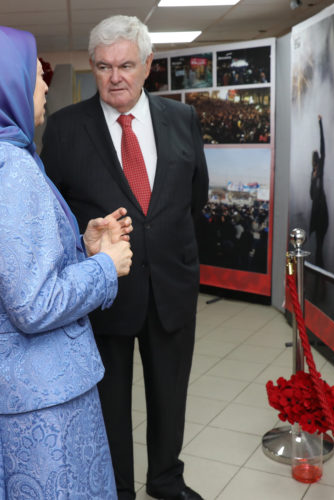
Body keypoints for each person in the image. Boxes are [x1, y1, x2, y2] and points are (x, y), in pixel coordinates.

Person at [41, 15, 209, 500]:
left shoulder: (183, 120)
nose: (116, 77)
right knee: (110, 404)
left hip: (171, 288)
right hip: (105, 293)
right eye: (104, 66)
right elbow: (55, 215)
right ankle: (117, 490)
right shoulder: (67, 129)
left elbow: (192, 199)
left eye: (127, 65)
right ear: (93, 68)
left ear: (148, 65)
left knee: (169, 395)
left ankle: (165, 479)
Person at [0, 26, 133, 498]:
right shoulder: (13, 167)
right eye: (37, 75)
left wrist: (82, 243)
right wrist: (104, 266)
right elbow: (33, 305)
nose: (43, 86)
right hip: (42, 400)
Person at [309, 115, 328, 269]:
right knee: (318, 242)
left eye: (316, 156)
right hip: (316, 208)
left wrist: (320, 124)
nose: (316, 157)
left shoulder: (319, 169)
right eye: (315, 156)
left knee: (320, 240)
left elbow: (323, 146)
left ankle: (319, 268)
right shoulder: (313, 172)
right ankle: (319, 267)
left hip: (320, 207)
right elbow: (310, 192)